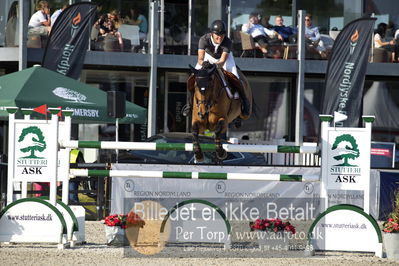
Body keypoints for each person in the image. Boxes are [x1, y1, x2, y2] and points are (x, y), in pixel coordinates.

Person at [182, 20, 250, 117]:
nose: (220, 37)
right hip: (208, 57)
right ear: (212, 34)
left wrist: (214, 66)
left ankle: (245, 102)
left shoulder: (227, 41)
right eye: (217, 35)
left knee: (236, 77)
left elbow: (222, 61)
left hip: (224, 59)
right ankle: (189, 105)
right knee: (193, 77)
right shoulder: (204, 39)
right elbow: (200, 59)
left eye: (222, 34)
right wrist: (204, 63)